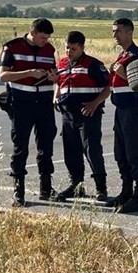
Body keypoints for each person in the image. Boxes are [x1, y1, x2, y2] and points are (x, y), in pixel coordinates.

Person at [0, 18, 58, 206]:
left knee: (46, 145)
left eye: (47, 38)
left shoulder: (49, 49)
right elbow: (2, 75)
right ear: (32, 33)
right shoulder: (12, 47)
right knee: (20, 146)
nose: (45, 41)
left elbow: (54, 73)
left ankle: (46, 188)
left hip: (44, 102)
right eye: (42, 38)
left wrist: (54, 77)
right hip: (21, 102)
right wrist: (29, 73)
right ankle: (19, 190)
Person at [53, 30, 112, 203]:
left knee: (92, 150)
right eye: (67, 48)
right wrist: (56, 96)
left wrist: (95, 103)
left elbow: (108, 87)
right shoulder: (63, 63)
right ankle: (76, 186)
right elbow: (60, 82)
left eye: (73, 49)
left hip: (88, 114)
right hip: (68, 115)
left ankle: (101, 187)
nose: (69, 52)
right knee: (71, 152)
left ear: (82, 48)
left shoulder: (93, 64)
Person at [107, 17, 138, 213]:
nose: (114, 34)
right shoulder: (123, 55)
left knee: (134, 153)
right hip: (121, 109)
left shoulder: (137, 57)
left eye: (118, 31)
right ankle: (126, 191)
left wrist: (122, 73)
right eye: (113, 31)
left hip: (133, 109)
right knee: (121, 153)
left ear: (129, 33)